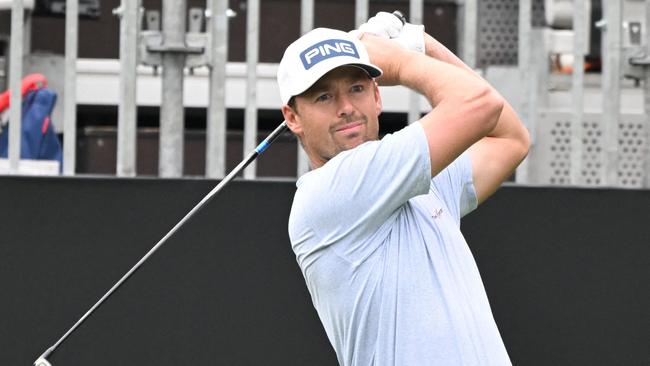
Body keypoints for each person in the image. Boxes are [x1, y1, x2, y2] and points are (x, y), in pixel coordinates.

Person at [277, 12, 530, 366]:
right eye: (323, 97)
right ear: (292, 117)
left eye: (357, 87)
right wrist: (401, 59)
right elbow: (482, 105)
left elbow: (509, 137)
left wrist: (418, 42)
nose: (346, 108)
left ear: (376, 96)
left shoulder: (414, 178)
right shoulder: (329, 191)